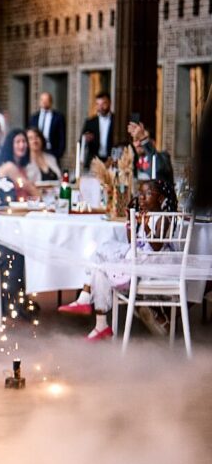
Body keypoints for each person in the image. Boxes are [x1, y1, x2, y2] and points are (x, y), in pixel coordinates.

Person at [58, 179, 179, 340]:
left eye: (147, 194)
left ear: (161, 198)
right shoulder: (146, 216)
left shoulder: (164, 218)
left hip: (153, 266)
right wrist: (131, 223)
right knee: (100, 267)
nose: (142, 198)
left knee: (102, 253)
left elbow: (156, 246)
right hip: (139, 261)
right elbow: (133, 242)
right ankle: (100, 323)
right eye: (140, 194)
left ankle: (86, 298)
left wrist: (146, 225)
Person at [127, 119, 173, 183]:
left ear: (153, 142)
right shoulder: (131, 161)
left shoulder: (163, 157)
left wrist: (143, 139)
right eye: (135, 140)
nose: (138, 144)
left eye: (140, 139)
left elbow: (157, 168)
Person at [0, 129, 39, 199]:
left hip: (23, 205)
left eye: (24, 141)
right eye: (18, 142)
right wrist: (45, 200)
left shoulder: (21, 166)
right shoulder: (9, 166)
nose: (22, 145)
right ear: (10, 145)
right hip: (13, 207)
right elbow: (30, 188)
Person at [28, 92, 67, 161]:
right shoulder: (34, 117)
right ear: (39, 102)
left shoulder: (58, 117)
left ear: (51, 102)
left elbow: (62, 137)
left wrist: (59, 153)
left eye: (47, 100)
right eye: (42, 100)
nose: (44, 102)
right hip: (36, 151)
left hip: (52, 151)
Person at [81, 91, 114, 167]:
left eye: (103, 104)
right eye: (98, 104)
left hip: (112, 161)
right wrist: (85, 139)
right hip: (94, 160)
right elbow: (81, 140)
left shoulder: (117, 121)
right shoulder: (90, 122)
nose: (100, 107)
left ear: (110, 103)